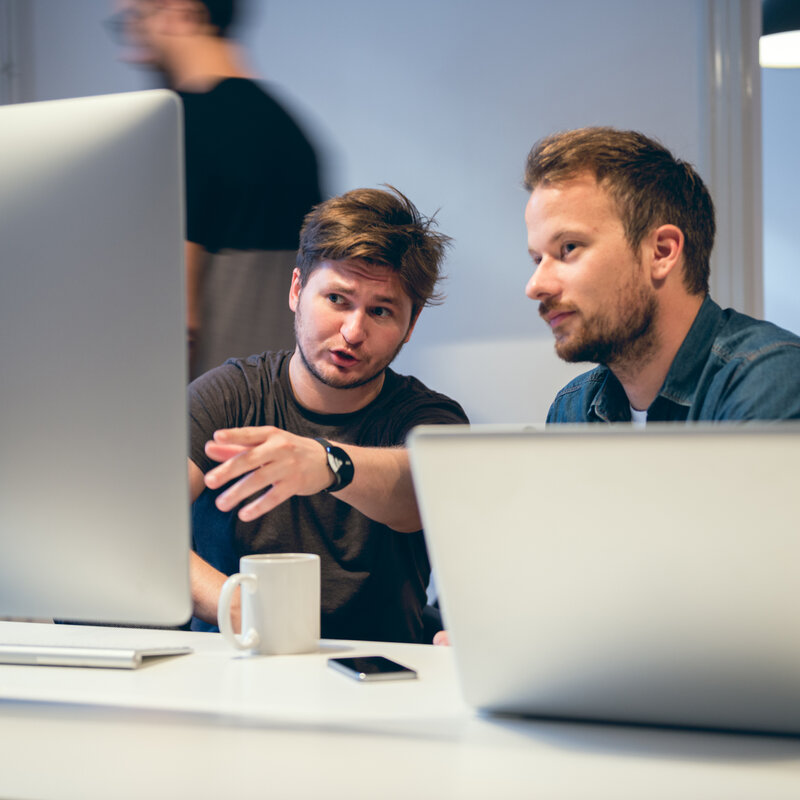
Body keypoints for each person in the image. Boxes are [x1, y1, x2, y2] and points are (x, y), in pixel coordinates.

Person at [188, 186, 469, 644]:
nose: (353, 332)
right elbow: (139, 527)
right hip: (234, 663)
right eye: (337, 299)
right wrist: (233, 603)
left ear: (410, 326)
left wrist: (327, 463)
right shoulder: (229, 396)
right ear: (297, 289)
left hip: (384, 677)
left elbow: (422, 490)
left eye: (380, 311)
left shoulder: (429, 417)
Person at [523, 126, 800, 424]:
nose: (535, 286)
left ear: (662, 252)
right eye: (538, 259)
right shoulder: (573, 408)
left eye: (569, 247)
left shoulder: (769, 381)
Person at [117, 0, 322, 378]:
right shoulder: (293, 132)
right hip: (283, 404)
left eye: (134, 19)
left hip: (208, 414)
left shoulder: (179, 127)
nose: (130, 41)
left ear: (182, 12)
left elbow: (179, 321)